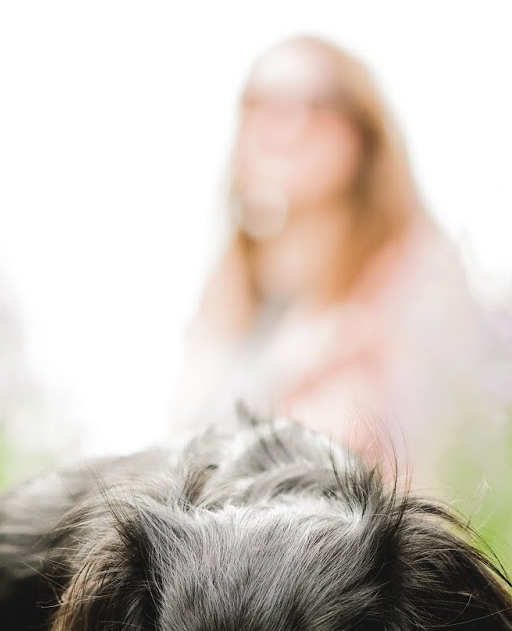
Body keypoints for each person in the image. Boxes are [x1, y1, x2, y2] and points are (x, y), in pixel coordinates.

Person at [175, 35, 490, 476]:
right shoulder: (233, 284)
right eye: (258, 103)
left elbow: (454, 444)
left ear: (360, 133)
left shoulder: (416, 271)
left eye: (312, 104)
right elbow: (185, 442)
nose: (279, 126)